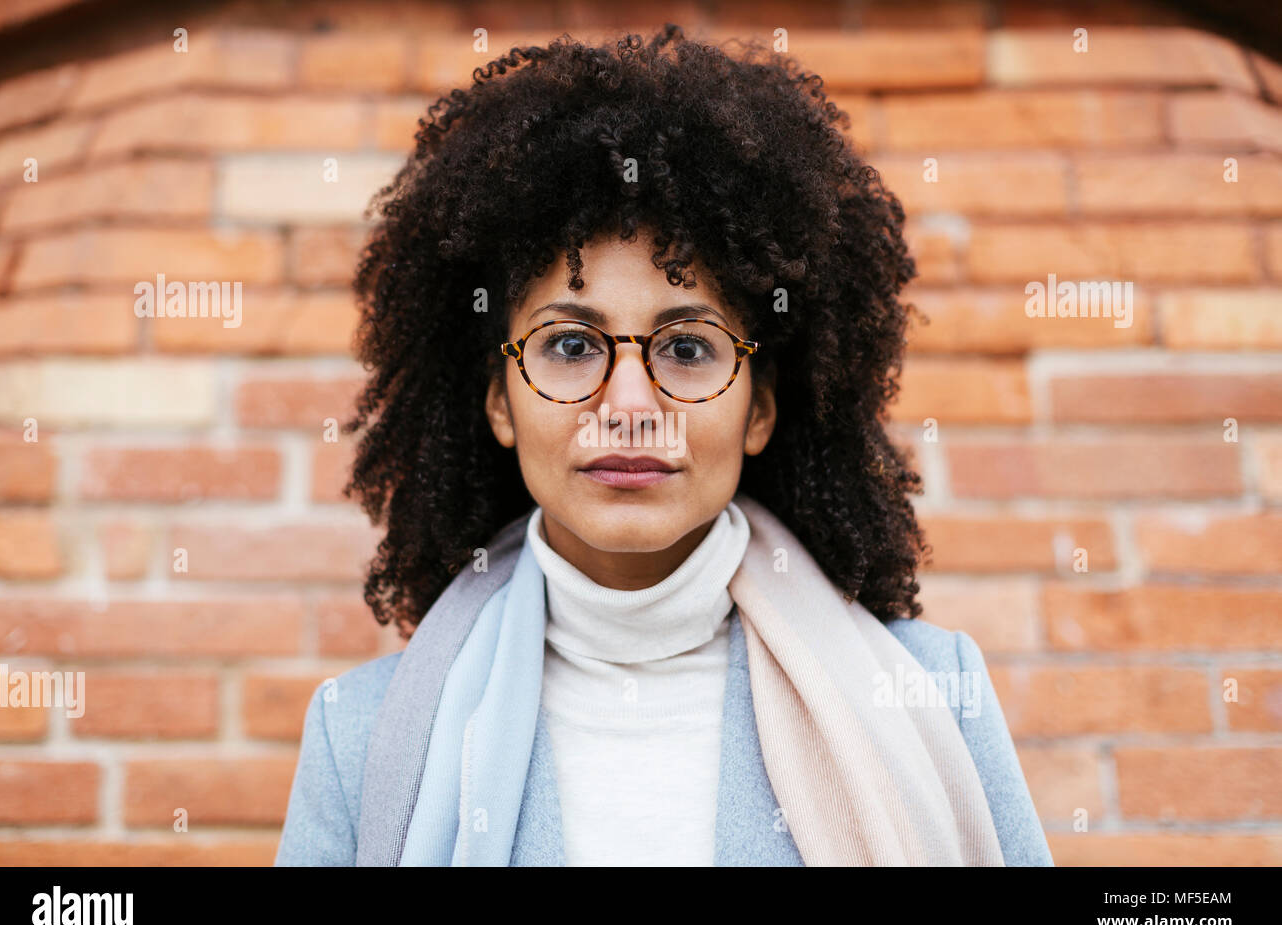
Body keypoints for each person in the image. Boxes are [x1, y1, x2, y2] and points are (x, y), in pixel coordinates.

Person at [275, 22, 1053, 867]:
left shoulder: (932, 695)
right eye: (572, 346)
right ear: (500, 401)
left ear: (760, 411)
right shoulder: (363, 743)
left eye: (687, 348)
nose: (632, 406)